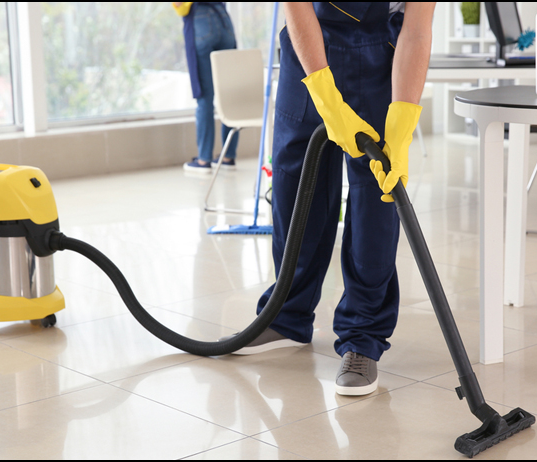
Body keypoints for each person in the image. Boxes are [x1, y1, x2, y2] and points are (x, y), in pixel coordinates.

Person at [221, 2, 436, 397]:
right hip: (308, 50)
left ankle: (362, 338)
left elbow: (418, 29)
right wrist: (325, 94)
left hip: (381, 53)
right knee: (295, 184)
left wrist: (402, 121)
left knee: (375, 198)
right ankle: (286, 316)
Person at [173, 2, 241, 173]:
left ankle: (204, 160)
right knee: (230, 95)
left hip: (201, 22)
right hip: (224, 22)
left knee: (205, 98)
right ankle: (228, 156)